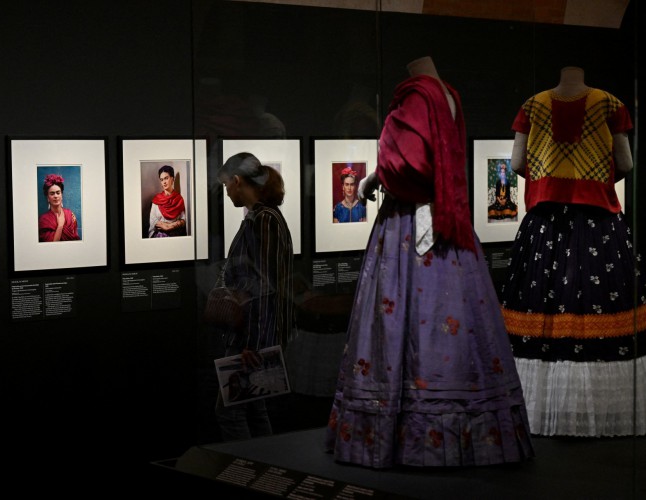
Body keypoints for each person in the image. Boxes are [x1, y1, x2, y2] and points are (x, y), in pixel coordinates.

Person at [324, 56, 535, 467]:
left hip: (408, 224)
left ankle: (406, 436)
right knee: (455, 316)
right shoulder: (447, 95)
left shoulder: (418, 95)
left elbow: (408, 163)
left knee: (404, 320)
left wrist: (375, 177)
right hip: (449, 222)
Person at [500, 66, 645, 437]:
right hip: (599, 223)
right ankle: (603, 408)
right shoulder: (609, 104)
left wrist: (549, 173)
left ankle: (538, 406)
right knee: (600, 299)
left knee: (542, 303)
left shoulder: (533, 106)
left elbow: (517, 163)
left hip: (546, 224)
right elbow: (626, 163)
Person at [212, 151, 295, 441]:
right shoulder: (262, 218)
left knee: (230, 412)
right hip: (255, 335)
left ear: (237, 181)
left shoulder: (265, 220)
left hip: (253, 339)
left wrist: (253, 344)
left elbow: (267, 286)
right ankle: (263, 471)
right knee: (253, 407)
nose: (227, 191)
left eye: (226, 185)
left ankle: (246, 473)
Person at [147, 165, 187, 238]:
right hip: (159, 236)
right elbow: (153, 221)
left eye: (166, 178)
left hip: (175, 235)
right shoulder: (156, 200)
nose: (164, 182)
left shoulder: (179, 199)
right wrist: (165, 226)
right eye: (161, 179)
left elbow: (183, 220)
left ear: (172, 179)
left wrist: (170, 226)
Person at [38, 173, 80, 242]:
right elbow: (48, 247)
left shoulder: (70, 215)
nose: (55, 196)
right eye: (52, 193)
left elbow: (76, 240)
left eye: (58, 193)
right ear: (48, 198)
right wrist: (60, 226)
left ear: (61, 195)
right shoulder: (43, 220)